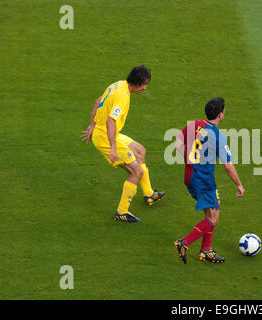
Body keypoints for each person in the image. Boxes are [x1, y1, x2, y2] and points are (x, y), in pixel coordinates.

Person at [81, 65, 165, 222]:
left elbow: (97, 101)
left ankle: (149, 193)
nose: (145, 88)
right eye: (144, 84)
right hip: (106, 137)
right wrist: (113, 148)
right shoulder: (123, 96)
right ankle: (122, 211)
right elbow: (110, 121)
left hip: (106, 132)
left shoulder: (118, 84)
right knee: (136, 172)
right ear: (136, 82)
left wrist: (92, 125)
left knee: (140, 151)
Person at [173, 98, 244, 263]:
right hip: (203, 180)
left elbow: (177, 144)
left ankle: (206, 250)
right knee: (213, 219)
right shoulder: (218, 137)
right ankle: (185, 242)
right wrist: (239, 184)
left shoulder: (194, 125)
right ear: (220, 114)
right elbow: (228, 166)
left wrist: (190, 161)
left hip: (189, 177)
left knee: (211, 213)